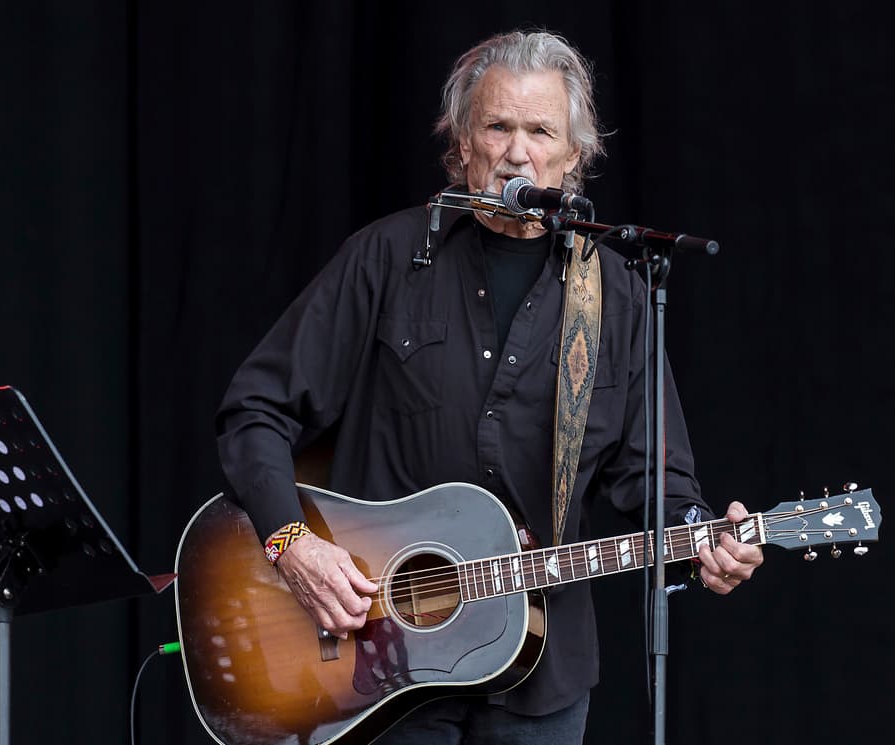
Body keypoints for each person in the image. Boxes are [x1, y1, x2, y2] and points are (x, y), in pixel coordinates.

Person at [215, 29, 764, 745]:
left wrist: (702, 537)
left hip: (542, 675)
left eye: (540, 131)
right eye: (497, 126)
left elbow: (656, 481)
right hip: (376, 664)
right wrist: (292, 544)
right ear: (461, 146)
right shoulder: (386, 258)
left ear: (574, 158)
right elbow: (254, 409)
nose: (516, 152)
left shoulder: (619, 296)